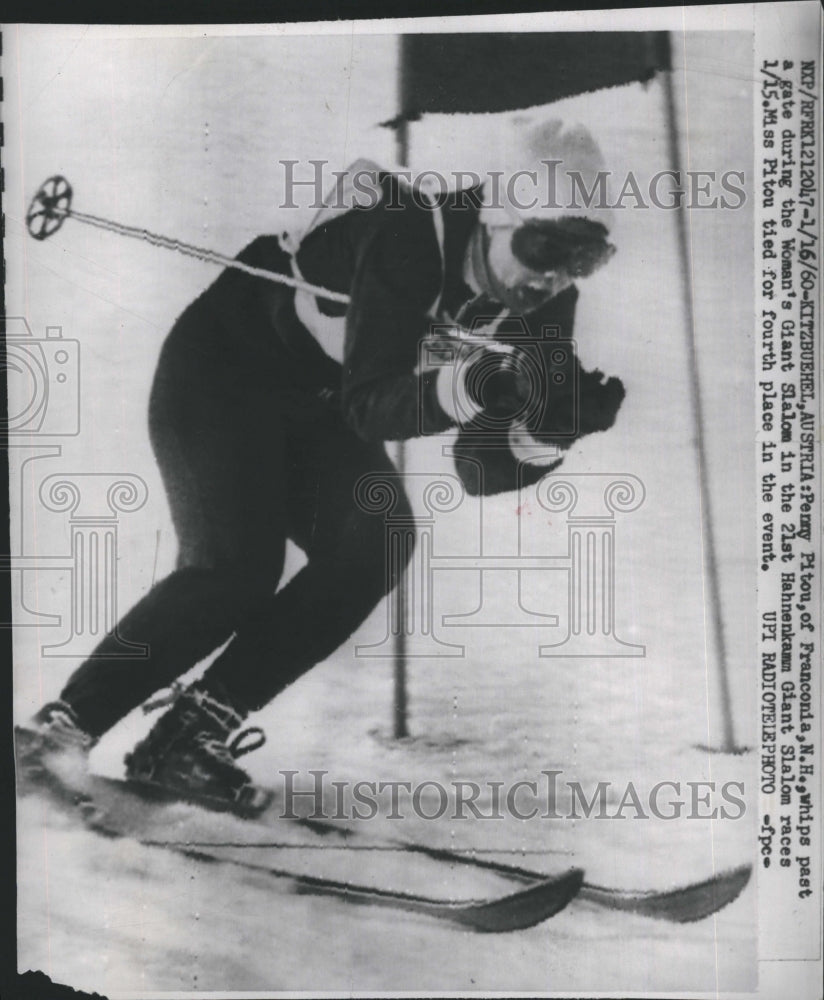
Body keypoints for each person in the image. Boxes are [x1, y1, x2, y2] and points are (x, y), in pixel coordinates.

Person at [16, 121, 625, 815]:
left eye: (584, 258)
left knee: (378, 539)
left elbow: (479, 467)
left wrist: (550, 431)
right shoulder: (409, 235)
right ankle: (56, 732)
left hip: (317, 405)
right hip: (226, 374)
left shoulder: (547, 306)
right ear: (496, 218)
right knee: (235, 569)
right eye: (543, 245)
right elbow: (373, 405)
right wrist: (476, 387)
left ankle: (190, 736)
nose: (554, 276)